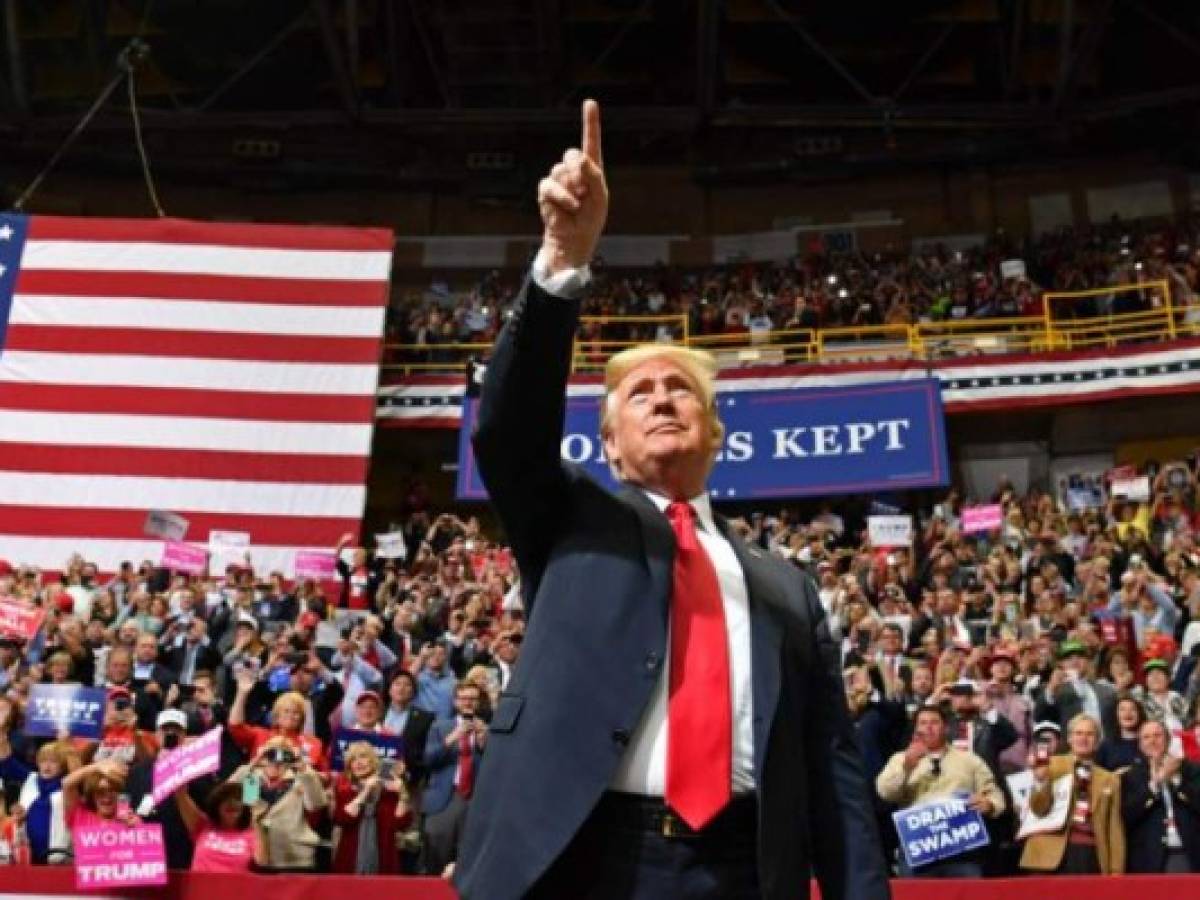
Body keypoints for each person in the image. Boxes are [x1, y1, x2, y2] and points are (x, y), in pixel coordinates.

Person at [454, 100, 890, 900]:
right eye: (639, 393)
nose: (661, 399)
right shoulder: (573, 520)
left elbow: (835, 770)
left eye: (680, 389)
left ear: (714, 430)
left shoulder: (788, 588)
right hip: (581, 858)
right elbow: (508, 431)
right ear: (610, 444)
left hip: (744, 867)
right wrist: (562, 259)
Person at [876, 705, 1006, 877]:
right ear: (916, 729)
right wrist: (906, 768)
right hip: (917, 849)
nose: (928, 727)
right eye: (923, 723)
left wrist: (989, 804)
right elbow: (885, 792)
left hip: (962, 852)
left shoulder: (969, 760)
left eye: (934, 722)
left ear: (945, 727)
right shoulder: (901, 759)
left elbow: (994, 793)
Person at [1020, 713, 1125, 875]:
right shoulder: (1050, 765)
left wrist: (1116, 871)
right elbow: (1039, 809)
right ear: (1069, 739)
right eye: (1078, 733)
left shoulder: (1109, 779)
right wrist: (1041, 781)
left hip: (1091, 854)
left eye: (1090, 734)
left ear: (1097, 742)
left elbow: (1114, 828)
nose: (1084, 738)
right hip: (1049, 855)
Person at [230, 736, 327, 872]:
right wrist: (252, 764)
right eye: (271, 755)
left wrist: (304, 769)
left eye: (283, 756)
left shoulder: (301, 779)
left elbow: (316, 805)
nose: (276, 762)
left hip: (294, 857)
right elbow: (228, 796)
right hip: (258, 854)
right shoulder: (252, 779)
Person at [424, 681, 486, 879]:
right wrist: (451, 739)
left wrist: (484, 742)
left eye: (473, 699)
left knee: (471, 855)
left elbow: (498, 767)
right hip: (445, 797)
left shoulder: (489, 730)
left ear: (479, 702)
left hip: (475, 798)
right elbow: (427, 760)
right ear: (455, 701)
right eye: (464, 698)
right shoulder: (440, 727)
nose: (468, 702)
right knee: (435, 855)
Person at [1121, 719, 1200, 872]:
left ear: (1168, 740)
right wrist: (1155, 785)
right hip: (1149, 857)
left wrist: (1176, 780)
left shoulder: (1190, 770)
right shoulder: (1130, 776)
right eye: (1147, 737)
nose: (1152, 741)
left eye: (1158, 735)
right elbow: (1127, 816)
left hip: (1189, 852)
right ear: (1140, 744)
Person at [331, 741, 412, 874]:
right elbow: (342, 819)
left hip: (384, 860)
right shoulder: (344, 791)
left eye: (363, 757)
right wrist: (366, 790)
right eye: (353, 760)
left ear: (373, 761)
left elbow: (400, 824)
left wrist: (402, 793)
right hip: (350, 862)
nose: (358, 763)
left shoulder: (389, 793)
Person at [229, 667, 327, 771]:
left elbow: (326, 777)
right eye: (286, 711)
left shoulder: (313, 743)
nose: (291, 715)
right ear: (276, 716)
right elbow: (235, 726)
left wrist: (306, 769)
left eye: (296, 712)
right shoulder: (261, 735)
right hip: (255, 784)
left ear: (302, 718)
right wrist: (242, 693)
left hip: (293, 785)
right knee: (244, 775)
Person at [174, 781, 257, 873]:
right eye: (226, 799)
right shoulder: (203, 826)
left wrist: (253, 776)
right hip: (201, 885)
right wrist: (180, 788)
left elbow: (262, 865)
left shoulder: (253, 834)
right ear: (217, 806)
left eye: (238, 799)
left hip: (237, 886)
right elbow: (181, 796)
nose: (231, 802)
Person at [1096, 696, 1146, 772]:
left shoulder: (1147, 742)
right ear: (1115, 715)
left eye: (1132, 709)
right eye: (1122, 710)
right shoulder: (1105, 746)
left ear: (1139, 714)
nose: (1127, 713)